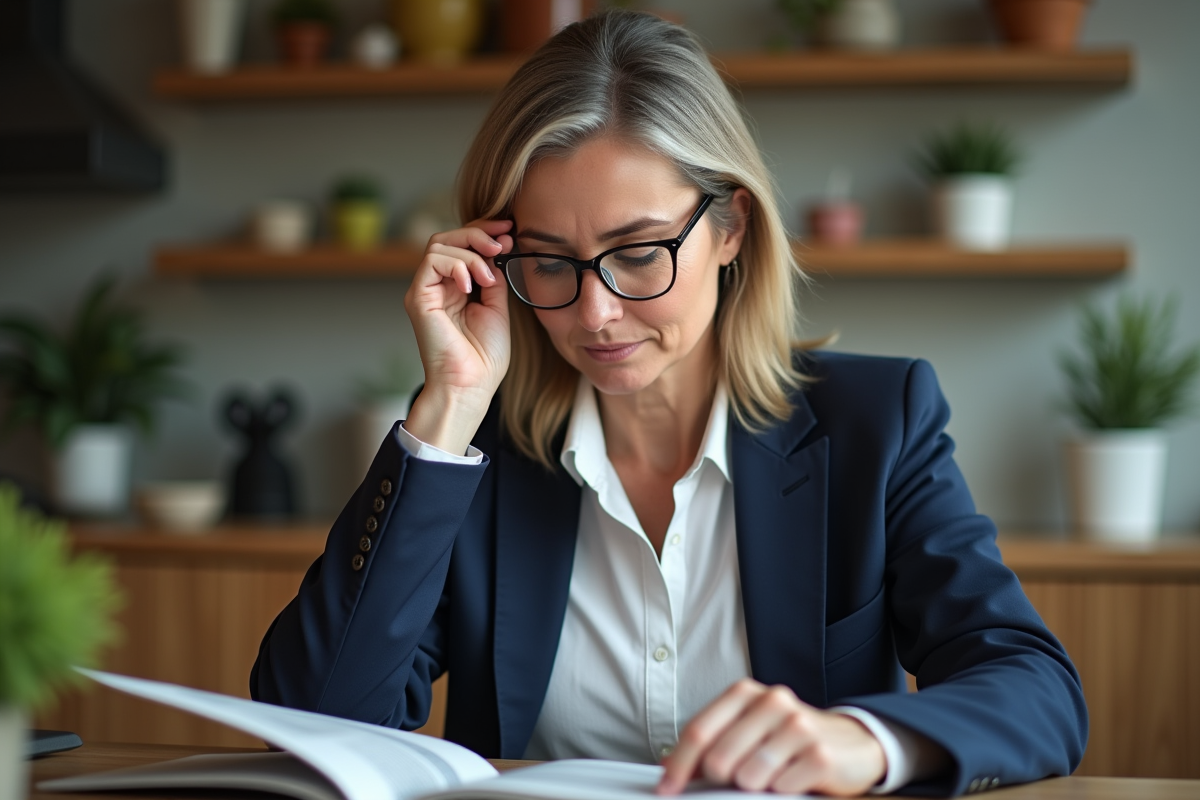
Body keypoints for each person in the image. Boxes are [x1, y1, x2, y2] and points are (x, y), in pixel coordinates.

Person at [251, 10, 1086, 797]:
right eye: (548, 260)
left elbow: (1035, 688)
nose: (595, 312)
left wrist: (863, 741)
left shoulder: (877, 422)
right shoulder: (477, 454)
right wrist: (447, 412)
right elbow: (316, 723)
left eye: (639, 252)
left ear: (732, 232)